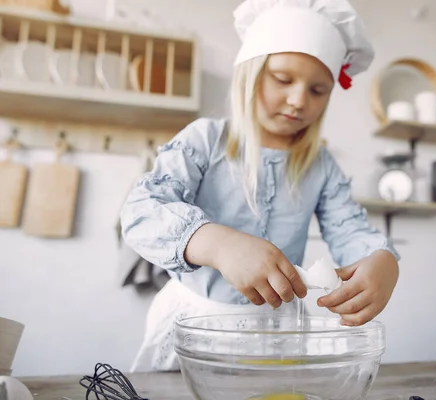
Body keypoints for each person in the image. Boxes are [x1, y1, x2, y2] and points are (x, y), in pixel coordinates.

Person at [120, 0, 400, 372]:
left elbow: (349, 229)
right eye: (283, 80)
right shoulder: (205, 141)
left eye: (318, 90)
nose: (299, 100)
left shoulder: (322, 167)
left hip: (275, 334)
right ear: (250, 74)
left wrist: (381, 260)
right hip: (192, 328)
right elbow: (141, 211)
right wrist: (217, 243)